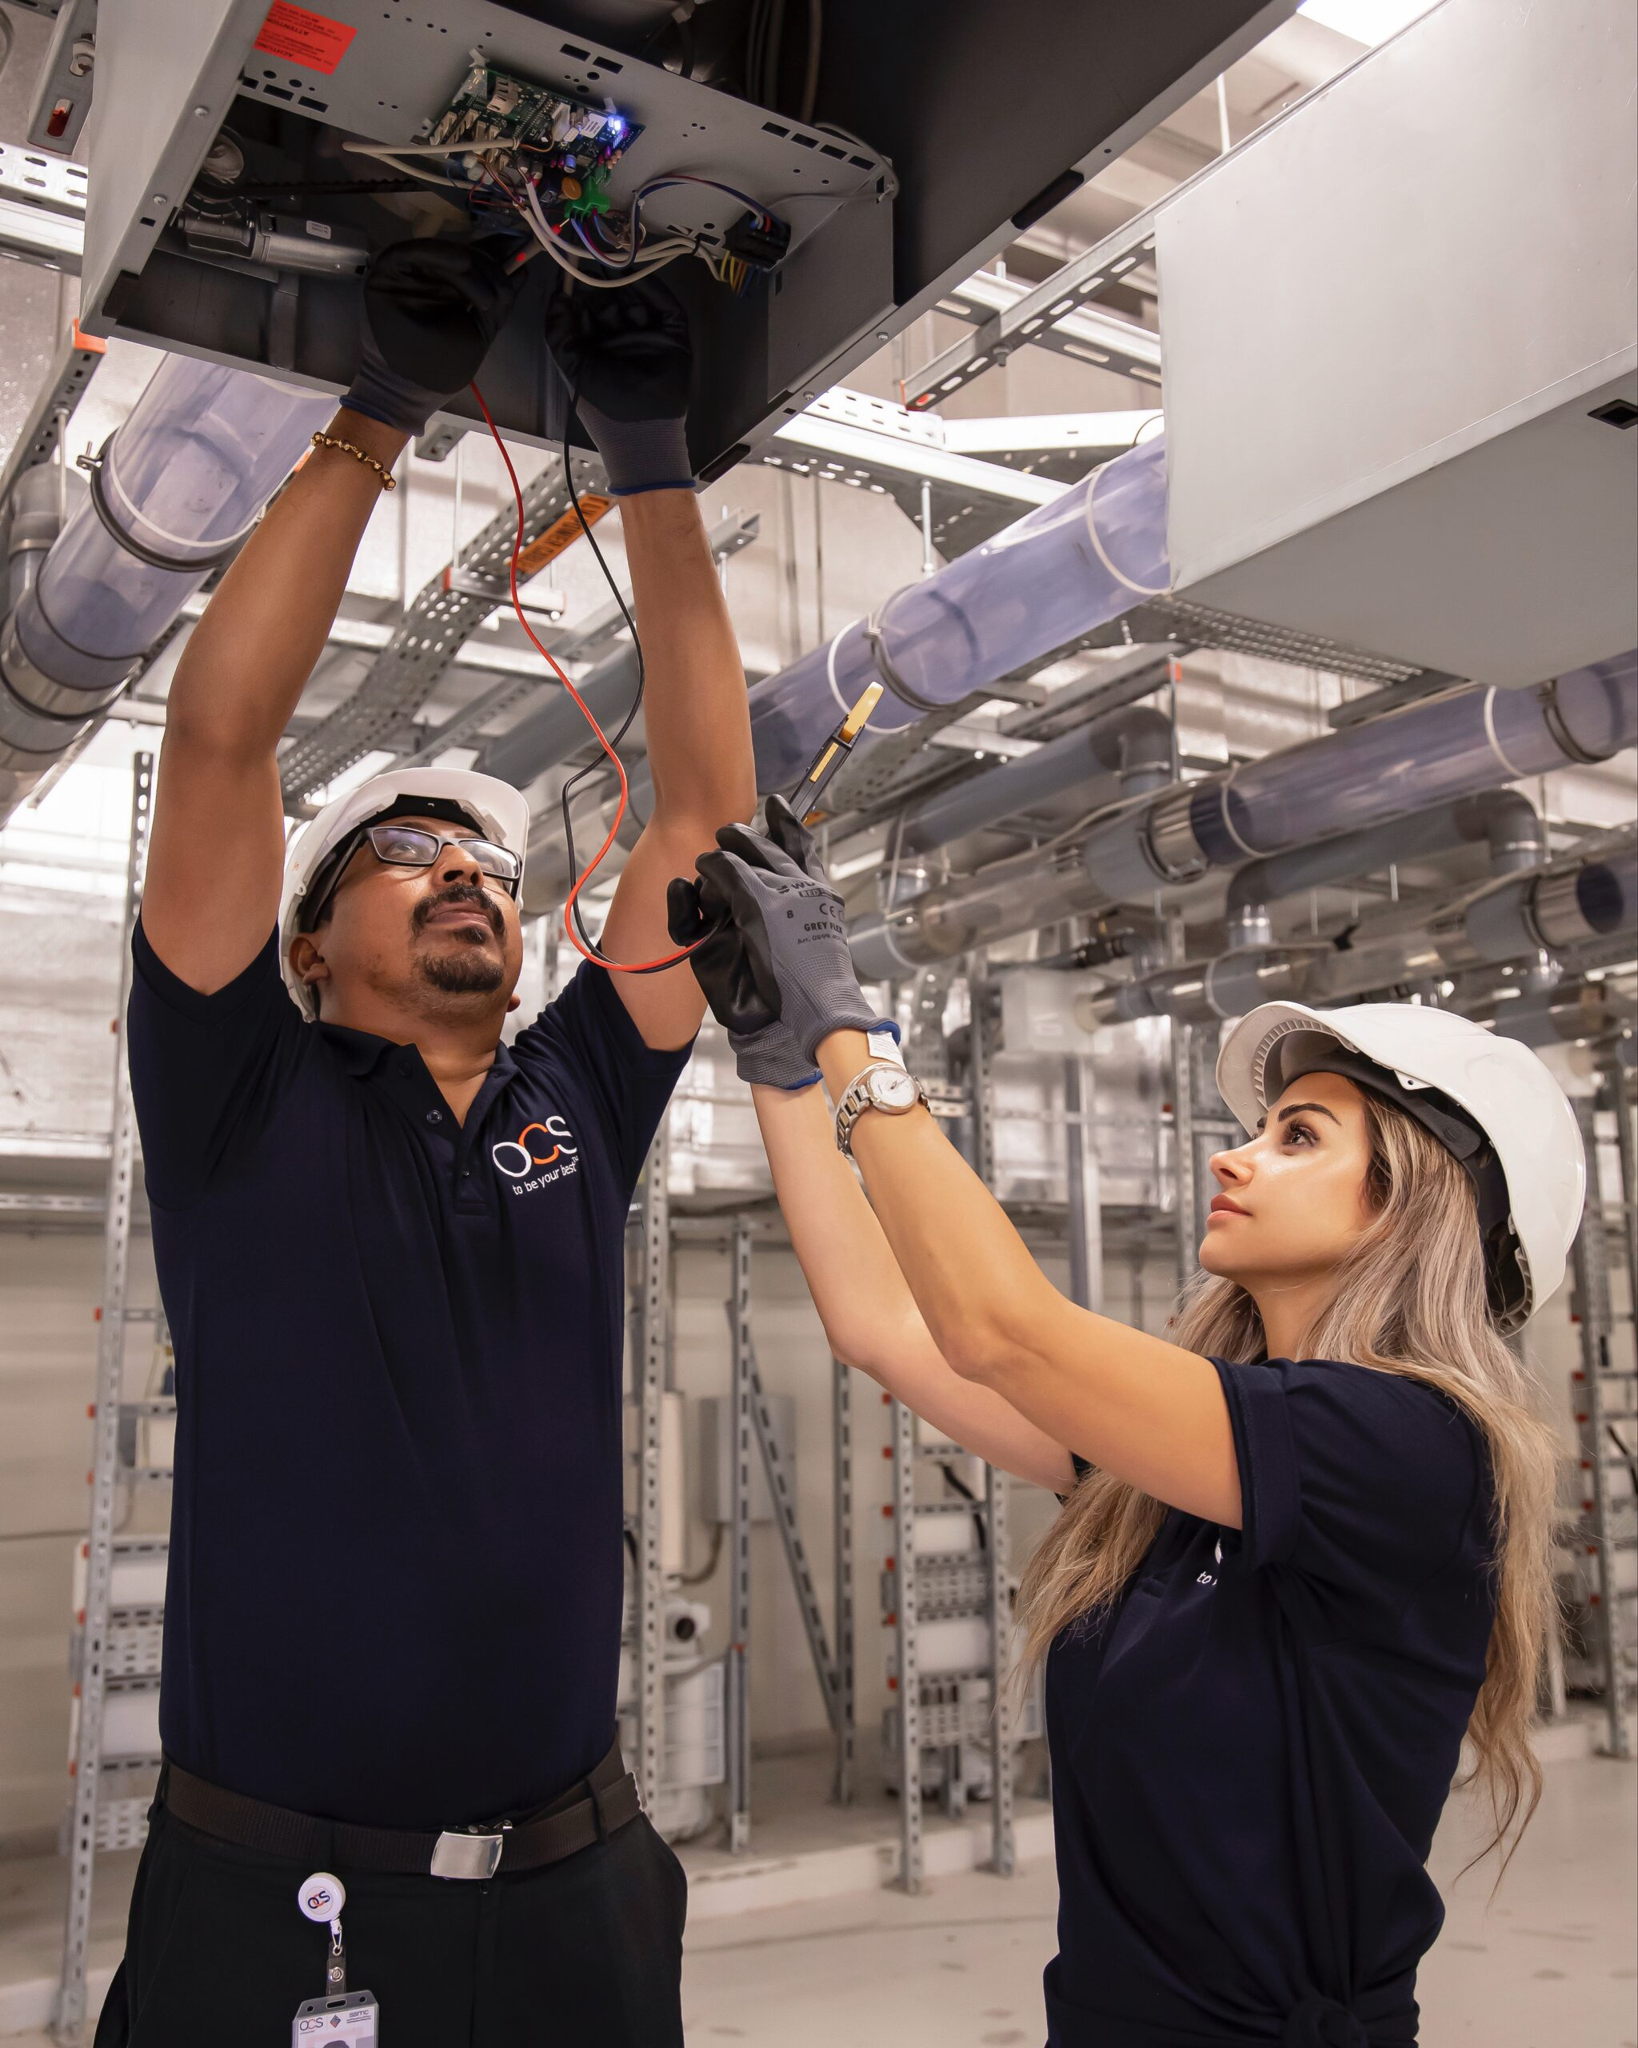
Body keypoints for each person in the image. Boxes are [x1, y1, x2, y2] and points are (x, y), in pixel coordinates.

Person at [99, 244, 755, 2045]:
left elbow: (701, 808)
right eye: (404, 853)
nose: (465, 867)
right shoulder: (245, 1097)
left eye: (483, 863)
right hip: (280, 1902)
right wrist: (370, 419)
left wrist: (649, 459)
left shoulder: (576, 1101)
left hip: (580, 1890)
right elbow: (221, 738)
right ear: (305, 947)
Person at [669, 800, 1583, 2048]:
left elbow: (1003, 1328)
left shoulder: (1412, 1448)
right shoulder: (1199, 1457)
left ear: (1411, 1203)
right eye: (1258, 1127)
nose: (1234, 1157)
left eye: (1297, 1135)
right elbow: (886, 1323)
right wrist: (777, 1046)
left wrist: (849, 1020)